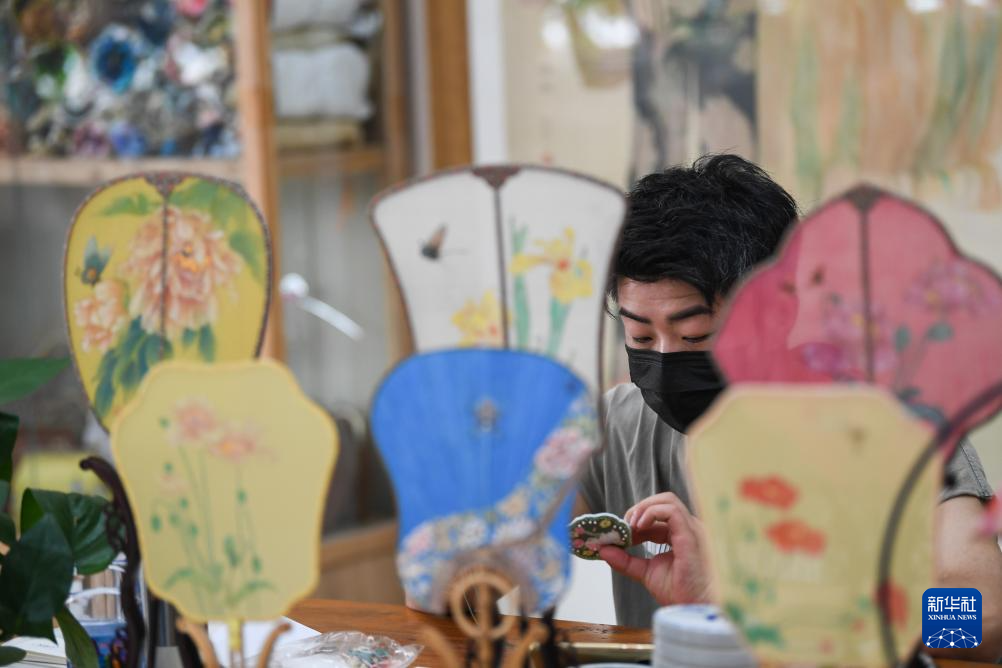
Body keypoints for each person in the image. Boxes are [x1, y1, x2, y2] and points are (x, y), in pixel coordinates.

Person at [576, 154, 1002, 661]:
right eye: (641, 336)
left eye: (695, 336)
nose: (665, 363)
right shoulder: (618, 423)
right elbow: (506, 545)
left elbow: (983, 619)